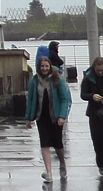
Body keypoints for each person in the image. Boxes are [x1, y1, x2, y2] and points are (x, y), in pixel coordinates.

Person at [25, 48, 71, 182]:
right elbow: (31, 100)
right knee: (44, 143)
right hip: (41, 117)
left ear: (50, 67)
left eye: (46, 66)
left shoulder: (57, 79)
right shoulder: (34, 81)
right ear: (38, 67)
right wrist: (28, 118)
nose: (44, 68)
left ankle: (62, 163)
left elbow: (64, 99)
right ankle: (49, 173)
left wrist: (62, 116)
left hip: (55, 117)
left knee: (57, 144)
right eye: (42, 66)